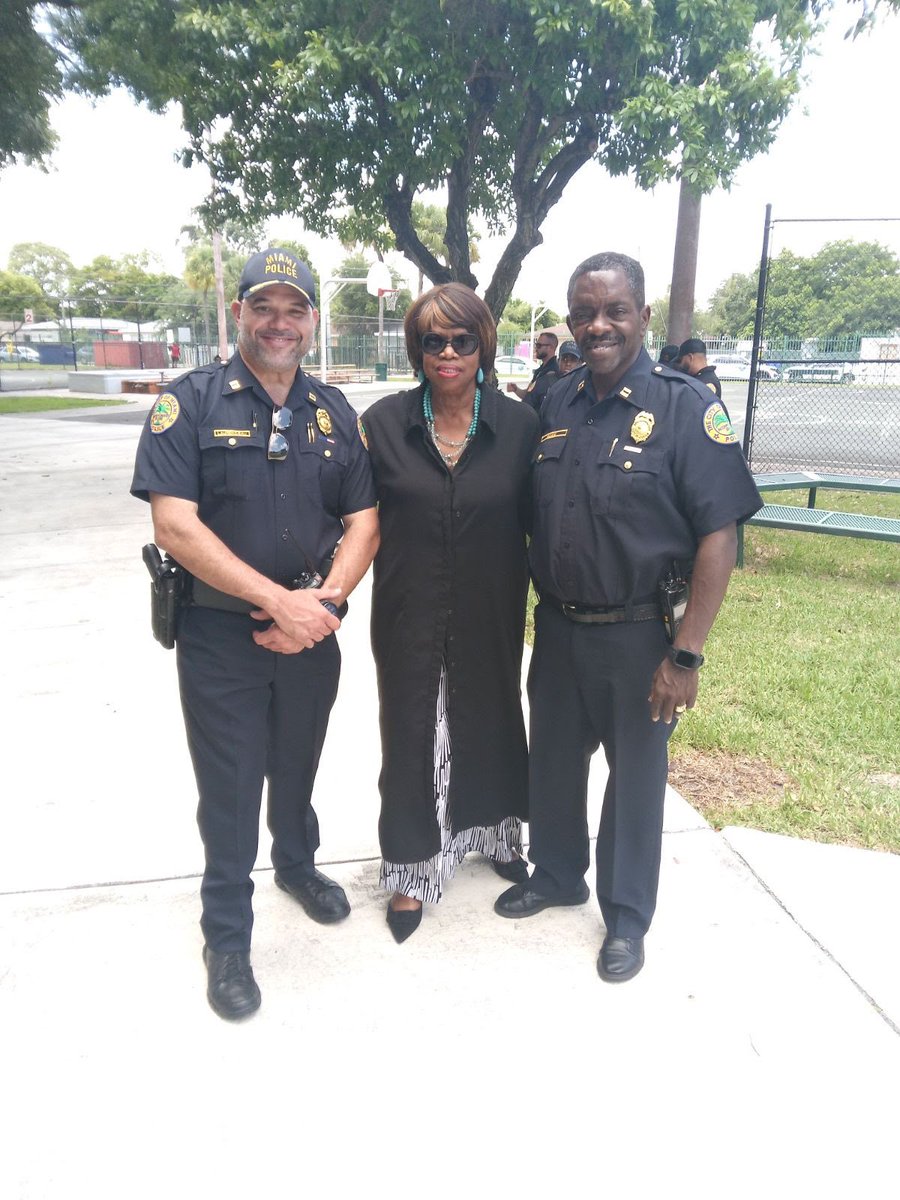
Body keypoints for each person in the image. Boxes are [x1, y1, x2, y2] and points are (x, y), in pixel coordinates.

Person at [495, 252, 762, 983]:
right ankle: (556, 875)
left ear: (643, 315)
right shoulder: (557, 401)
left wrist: (687, 654)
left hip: (640, 633)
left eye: (614, 310)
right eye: (584, 311)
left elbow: (719, 534)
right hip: (558, 627)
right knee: (551, 760)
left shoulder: (683, 407)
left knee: (635, 780)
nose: (598, 324)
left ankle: (626, 917)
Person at [131, 248, 380, 1020]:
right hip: (220, 635)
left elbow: (364, 519)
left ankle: (297, 866)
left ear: (313, 319)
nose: (279, 320)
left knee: (298, 762)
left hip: (311, 631)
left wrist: (326, 605)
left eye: (295, 307)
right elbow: (174, 523)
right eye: (263, 305)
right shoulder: (190, 402)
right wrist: (281, 601)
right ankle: (228, 937)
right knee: (232, 787)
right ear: (237, 311)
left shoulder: (334, 410)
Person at [360, 283, 540, 943]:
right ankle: (410, 872)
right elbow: (354, 522)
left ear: (483, 344)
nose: (447, 352)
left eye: (461, 339)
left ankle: (496, 836)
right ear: (417, 349)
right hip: (408, 614)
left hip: (490, 613)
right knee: (410, 738)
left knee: (492, 720)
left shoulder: (521, 428)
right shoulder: (382, 425)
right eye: (432, 340)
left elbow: (544, 526)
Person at [506, 330, 559, 410]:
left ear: (550, 347)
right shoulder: (540, 370)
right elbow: (529, 394)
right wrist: (516, 389)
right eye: (536, 345)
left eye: (539, 345)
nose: (536, 348)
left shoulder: (553, 372)